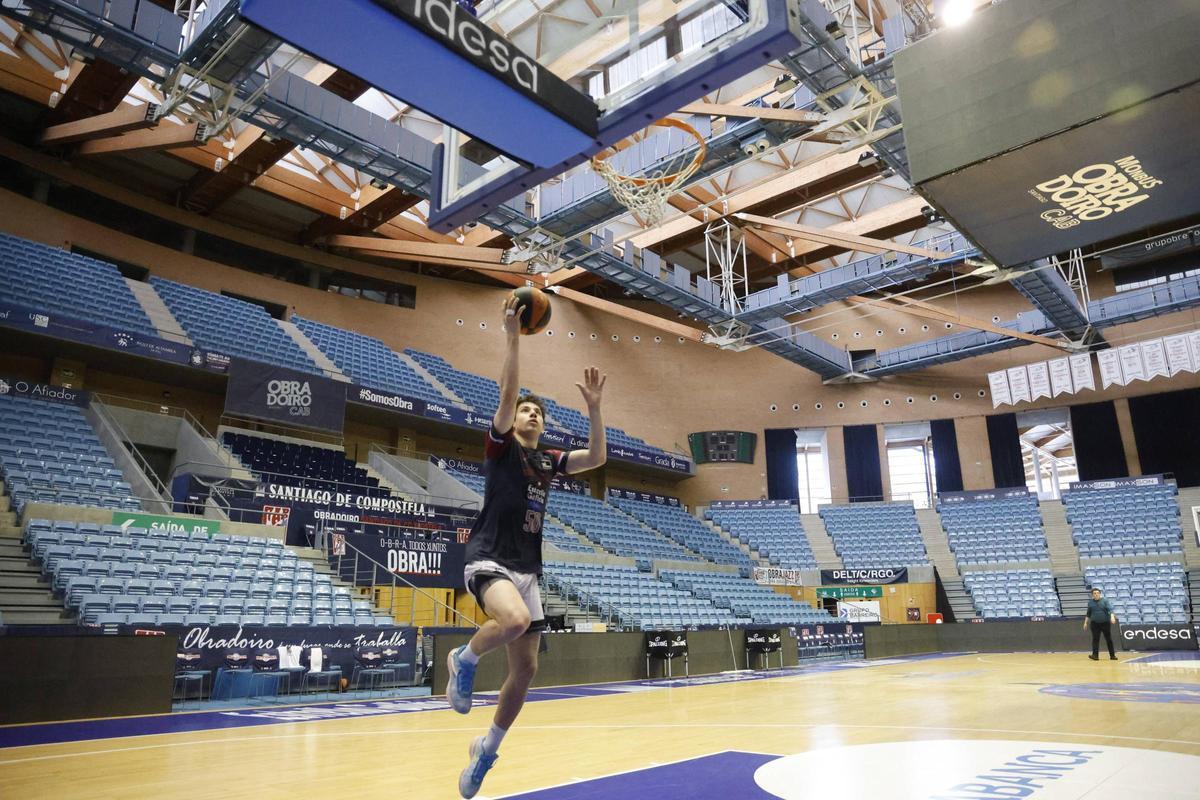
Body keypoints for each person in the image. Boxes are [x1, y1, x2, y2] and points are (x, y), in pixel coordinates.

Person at [447, 293, 607, 799]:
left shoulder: (550, 461)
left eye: (538, 412)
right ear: (513, 421)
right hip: (488, 555)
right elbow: (507, 393)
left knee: (527, 669)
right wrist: (513, 339)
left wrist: (595, 409)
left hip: (527, 567)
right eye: (525, 411)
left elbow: (597, 457)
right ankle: (464, 661)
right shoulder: (500, 446)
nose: (531, 415)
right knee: (512, 622)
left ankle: (486, 751)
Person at [1083, 587, 1118, 661]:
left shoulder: (1105, 601)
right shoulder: (1090, 603)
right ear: (1092, 595)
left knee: (1108, 639)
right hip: (1095, 624)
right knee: (1095, 639)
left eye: (1097, 593)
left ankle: (1112, 656)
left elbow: (1110, 610)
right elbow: (1088, 614)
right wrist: (1085, 623)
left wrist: (1112, 617)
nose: (1096, 594)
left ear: (1100, 594)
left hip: (1105, 623)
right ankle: (1095, 656)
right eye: (1094, 593)